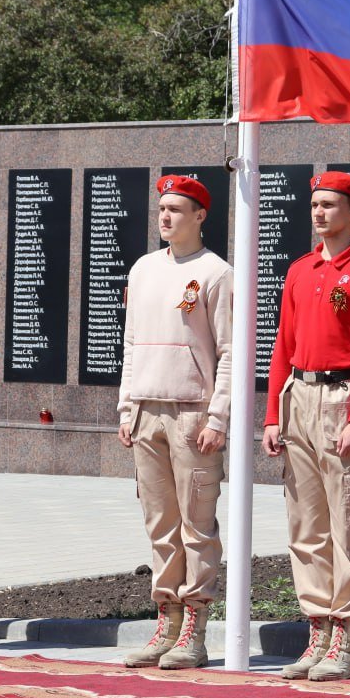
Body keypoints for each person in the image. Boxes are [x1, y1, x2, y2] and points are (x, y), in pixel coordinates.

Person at [262, 171, 350, 682]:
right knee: (306, 525)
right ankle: (316, 628)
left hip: (343, 396)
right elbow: (283, 344)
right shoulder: (300, 270)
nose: (318, 213)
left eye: (330, 204)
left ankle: (345, 638)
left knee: (345, 521)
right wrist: (273, 413)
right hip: (300, 394)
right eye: (314, 204)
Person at [116, 175, 232, 670]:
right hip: (146, 410)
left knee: (196, 525)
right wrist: (127, 407)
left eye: (177, 210)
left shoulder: (216, 273)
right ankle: (165, 619)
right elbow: (131, 342)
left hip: (192, 415)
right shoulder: (142, 269)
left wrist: (219, 415)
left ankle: (195, 629)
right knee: (160, 524)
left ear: (200, 216)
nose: (166, 217)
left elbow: (229, 352)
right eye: (162, 209)